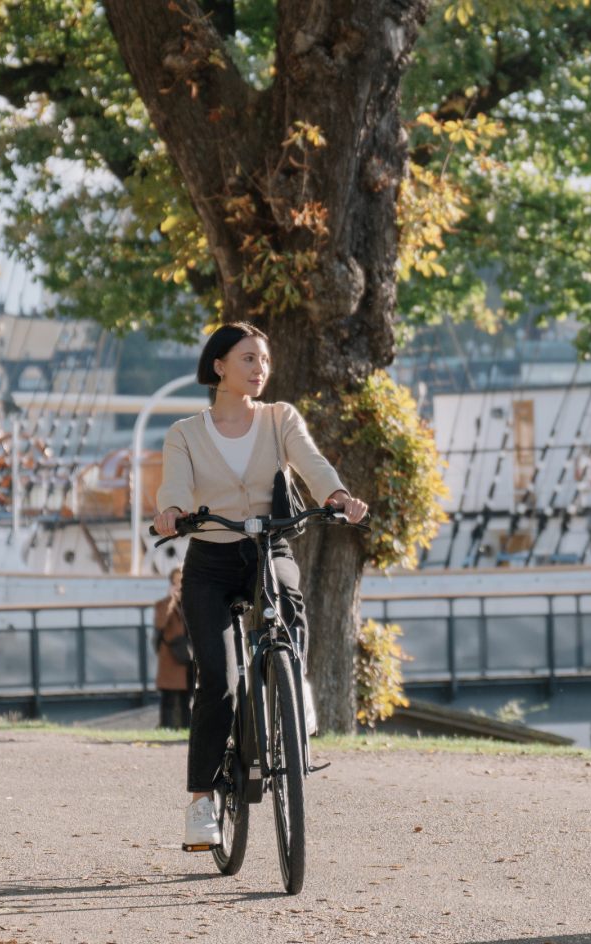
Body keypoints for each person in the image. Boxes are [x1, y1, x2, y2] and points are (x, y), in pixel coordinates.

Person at [152, 321, 369, 849]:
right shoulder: (184, 432)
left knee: (288, 602)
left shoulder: (280, 419)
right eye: (248, 359)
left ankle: (296, 688)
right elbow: (175, 484)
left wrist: (337, 496)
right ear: (219, 366)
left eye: (264, 360)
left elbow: (312, 464)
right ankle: (202, 801)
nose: (260, 369)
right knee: (219, 683)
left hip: (268, 548)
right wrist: (172, 512)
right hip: (211, 558)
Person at [153, 567, 193, 729]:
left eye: (181, 582)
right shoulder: (163, 604)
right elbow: (160, 623)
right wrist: (171, 601)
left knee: (187, 697)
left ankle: (186, 727)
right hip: (171, 656)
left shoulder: (191, 603)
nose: (179, 586)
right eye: (175, 582)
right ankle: (166, 726)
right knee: (169, 697)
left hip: (189, 655)